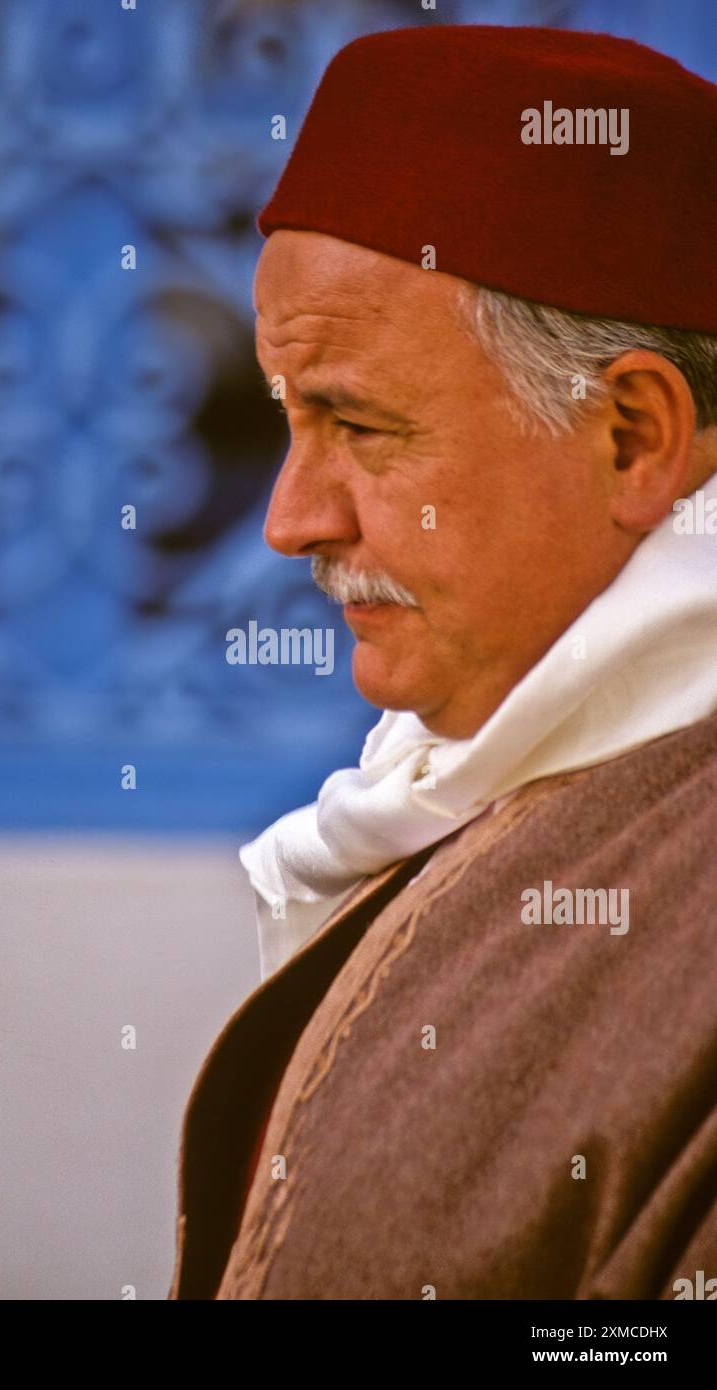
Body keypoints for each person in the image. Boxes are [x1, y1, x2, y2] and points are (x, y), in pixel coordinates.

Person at [169, 24, 717, 1300]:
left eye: (359, 424)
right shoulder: (492, 783)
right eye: (288, 420)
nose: (291, 519)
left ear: (634, 437)